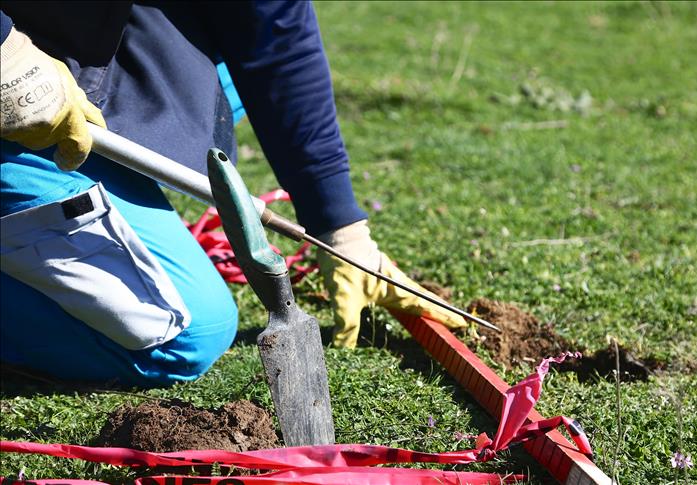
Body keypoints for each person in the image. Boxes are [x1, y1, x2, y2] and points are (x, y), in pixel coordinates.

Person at [0, 1, 465, 387]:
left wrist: (340, 228)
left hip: (83, 49)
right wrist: (6, 51)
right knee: (184, 335)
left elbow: (274, 33)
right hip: (14, 64)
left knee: (222, 82)